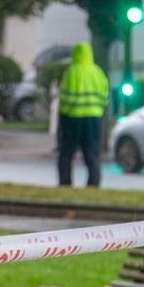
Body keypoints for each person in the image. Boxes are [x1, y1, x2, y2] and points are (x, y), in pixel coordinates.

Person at [55, 41, 108, 186]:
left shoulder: (71, 72)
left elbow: (65, 98)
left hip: (73, 118)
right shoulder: (98, 73)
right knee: (92, 154)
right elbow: (104, 96)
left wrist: (64, 115)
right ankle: (94, 184)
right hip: (93, 118)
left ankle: (65, 183)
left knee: (66, 154)